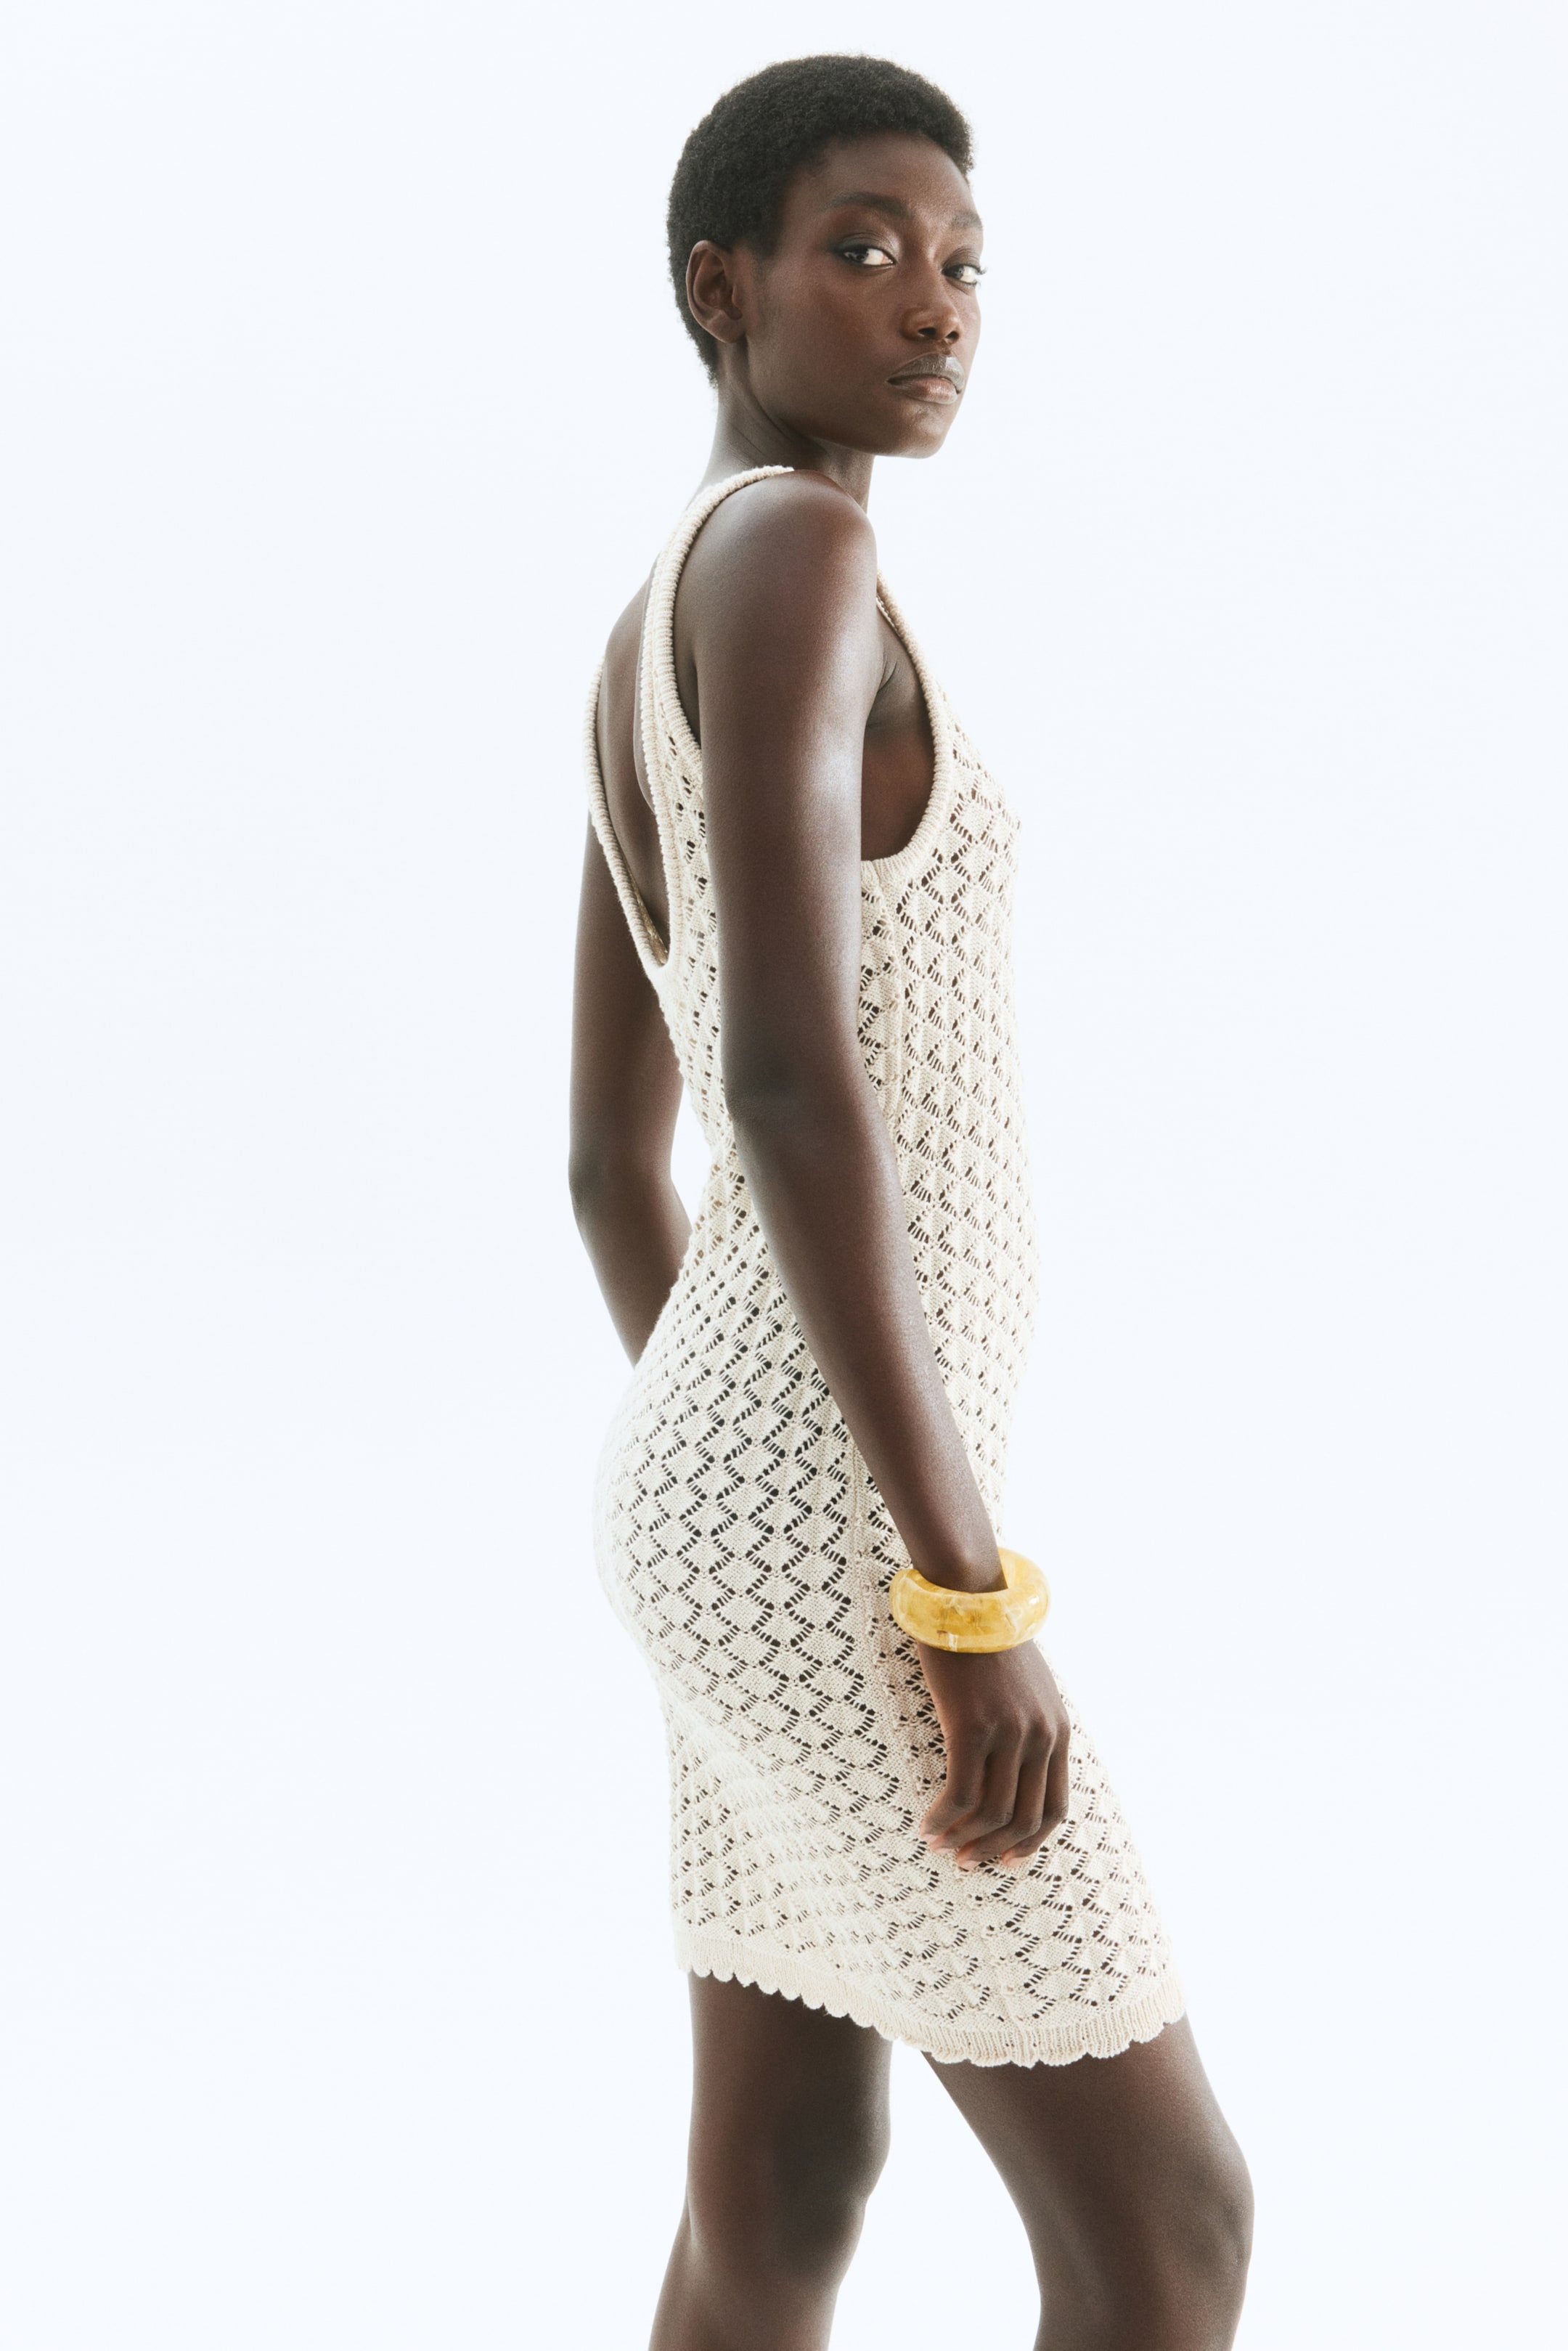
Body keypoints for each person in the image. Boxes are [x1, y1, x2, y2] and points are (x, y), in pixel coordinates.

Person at [569, 54, 1251, 2351]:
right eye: (863, 251)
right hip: (846, 1545)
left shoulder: (642, 626)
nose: (935, 306)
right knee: (1172, 2222)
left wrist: (725, 1469)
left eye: (964, 263)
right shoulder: (800, 553)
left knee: (787, 2186)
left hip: (729, 1503)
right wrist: (951, 1589)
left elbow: (603, 1158)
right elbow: (778, 1073)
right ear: (721, 285)